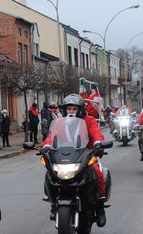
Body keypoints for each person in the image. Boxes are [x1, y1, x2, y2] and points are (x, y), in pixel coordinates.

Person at [42, 94, 108, 226]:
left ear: (81, 109)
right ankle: (53, 203)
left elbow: (96, 132)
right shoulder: (60, 122)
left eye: (74, 109)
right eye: (69, 109)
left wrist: (98, 143)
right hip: (65, 155)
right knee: (50, 173)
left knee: (98, 173)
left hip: (86, 154)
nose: (71, 112)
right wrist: (46, 146)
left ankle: (100, 206)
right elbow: (51, 135)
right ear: (65, 110)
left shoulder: (89, 120)